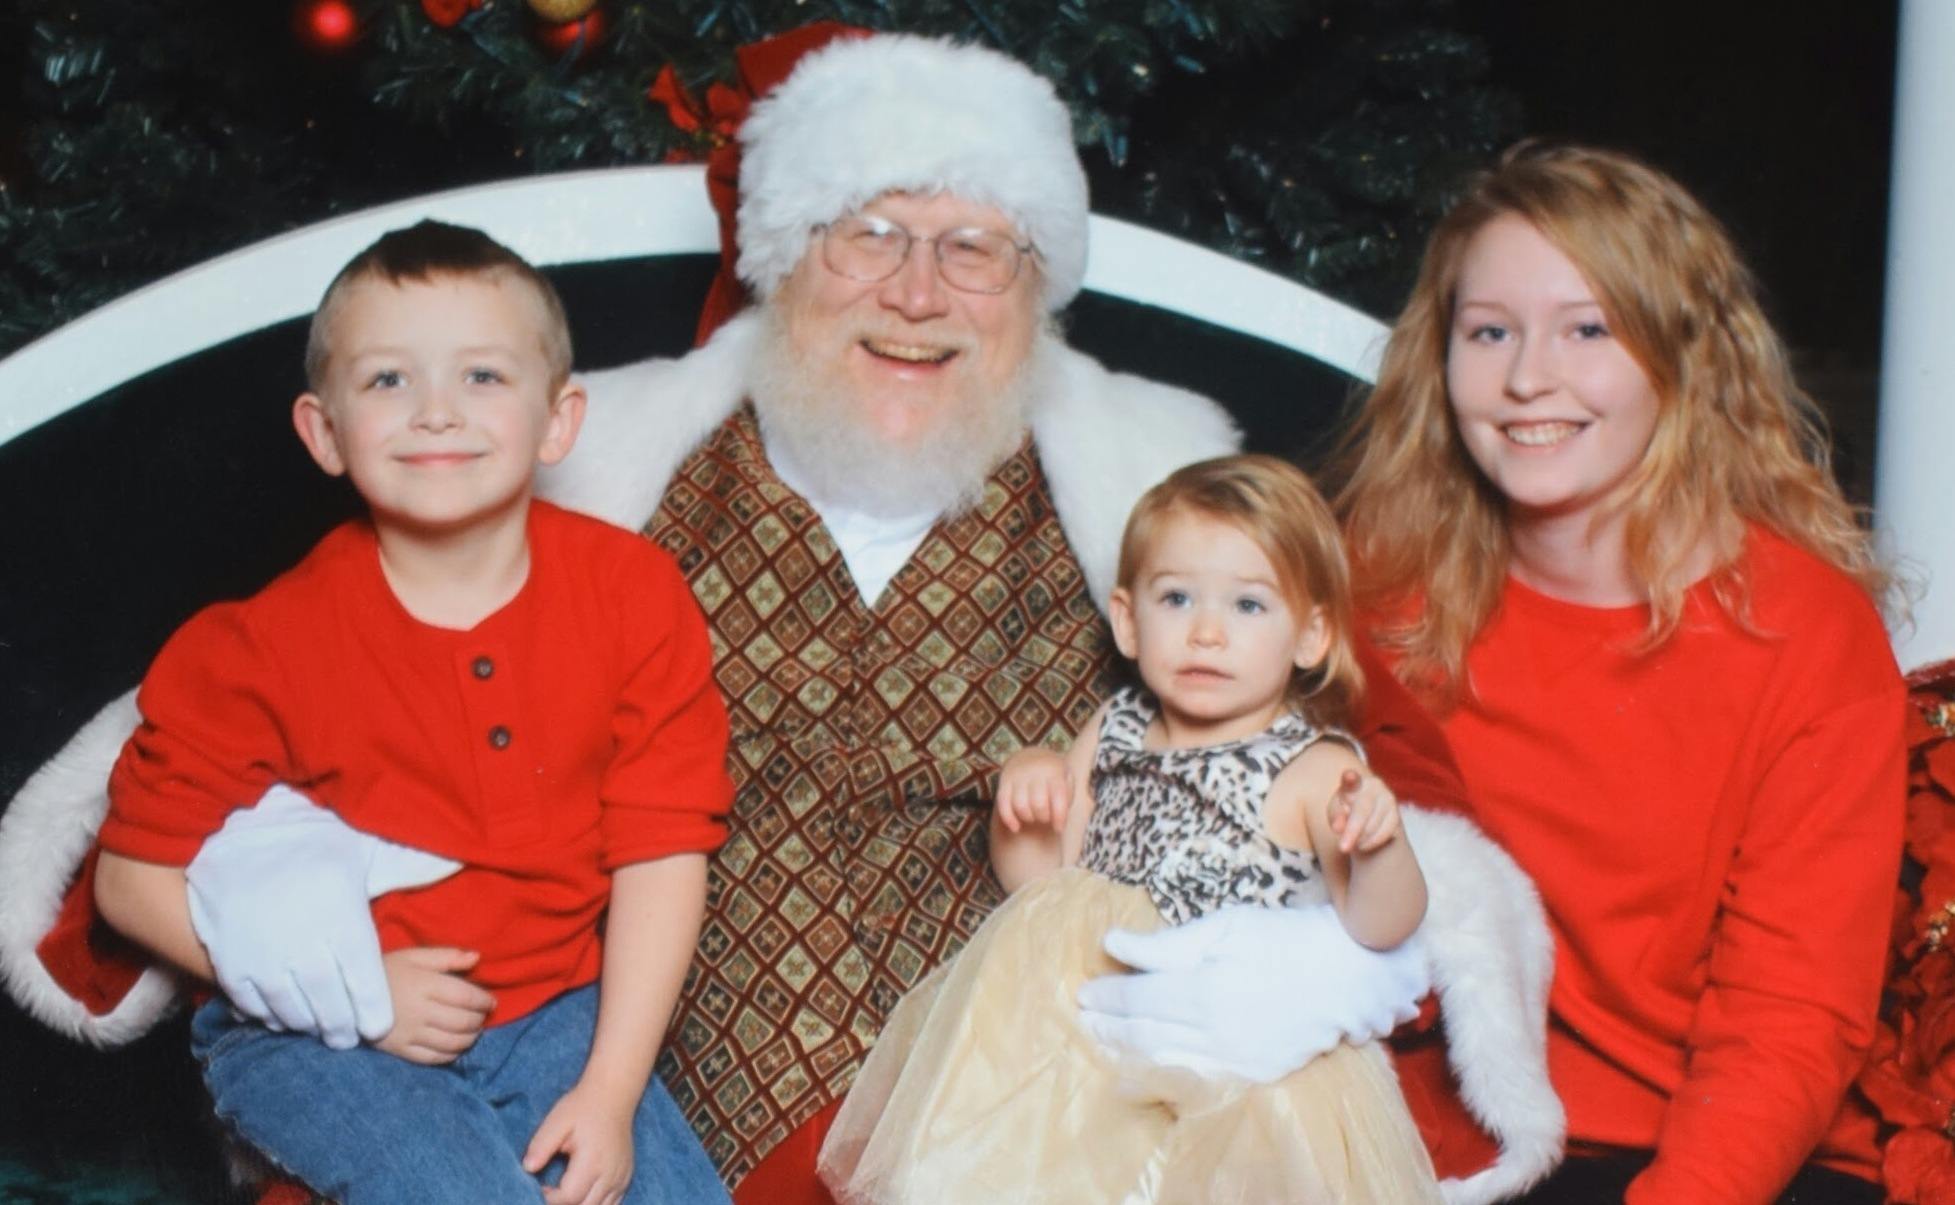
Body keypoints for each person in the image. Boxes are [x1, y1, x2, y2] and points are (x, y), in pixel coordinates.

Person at [0, 32, 1558, 1204]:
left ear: (1037, 289)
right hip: (613, 1050)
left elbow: (1352, 734)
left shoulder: (1149, 495)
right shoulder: (599, 459)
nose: (916, 291)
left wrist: (1347, 945)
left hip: (990, 1109)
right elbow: (286, 662)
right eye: (867, 233)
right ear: (781, 261)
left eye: (972, 249)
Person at [87, 220, 735, 1205]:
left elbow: (659, 851)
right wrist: (357, 990)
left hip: (558, 997)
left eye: (482, 376)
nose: (436, 411)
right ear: (324, 430)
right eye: (388, 379)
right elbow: (129, 883)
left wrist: (609, 1089)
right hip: (314, 1034)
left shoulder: (631, 594)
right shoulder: (260, 645)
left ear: (559, 420)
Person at [1333, 142, 1907, 1203]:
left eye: (1586, 329)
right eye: (1487, 331)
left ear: (1680, 359)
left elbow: (1787, 1017)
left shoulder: (1808, 634)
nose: (1523, 378)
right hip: (1437, 1150)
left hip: (1712, 1159)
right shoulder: (1372, 592)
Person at [819, 455, 1443, 1204]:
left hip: (1237, 1058)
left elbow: (1382, 926)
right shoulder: (1113, 728)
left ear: (1309, 637)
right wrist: (1024, 802)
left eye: (1247, 606)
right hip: (1081, 1039)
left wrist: (1380, 845)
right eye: (1176, 597)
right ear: (1126, 619)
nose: (1206, 631)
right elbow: (1038, 883)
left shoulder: (1314, 766)